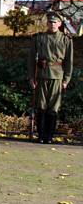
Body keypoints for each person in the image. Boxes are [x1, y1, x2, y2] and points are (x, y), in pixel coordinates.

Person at [29, 11, 73, 144]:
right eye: (50, 22)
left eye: (55, 22)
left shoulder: (66, 39)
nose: (52, 24)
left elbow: (69, 62)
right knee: (41, 106)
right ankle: (41, 136)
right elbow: (31, 59)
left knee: (53, 108)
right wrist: (31, 78)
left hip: (57, 77)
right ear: (47, 23)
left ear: (59, 24)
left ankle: (49, 137)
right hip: (42, 76)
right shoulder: (39, 38)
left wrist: (66, 80)